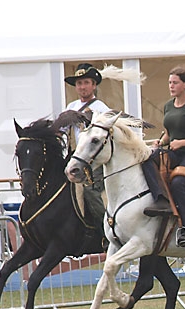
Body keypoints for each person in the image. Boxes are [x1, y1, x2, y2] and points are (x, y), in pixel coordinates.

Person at [142, 67, 185, 251]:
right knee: (147, 159)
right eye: (170, 82)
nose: (171, 86)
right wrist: (161, 141)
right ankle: (160, 199)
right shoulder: (168, 105)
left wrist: (181, 143)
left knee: (178, 183)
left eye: (175, 82)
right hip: (174, 151)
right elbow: (170, 133)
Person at [64, 63, 109, 238]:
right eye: (79, 83)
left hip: (94, 160)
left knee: (90, 190)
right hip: (77, 155)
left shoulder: (102, 109)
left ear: (94, 85)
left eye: (86, 83)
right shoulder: (71, 106)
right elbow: (61, 130)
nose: (82, 87)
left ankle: (105, 231)